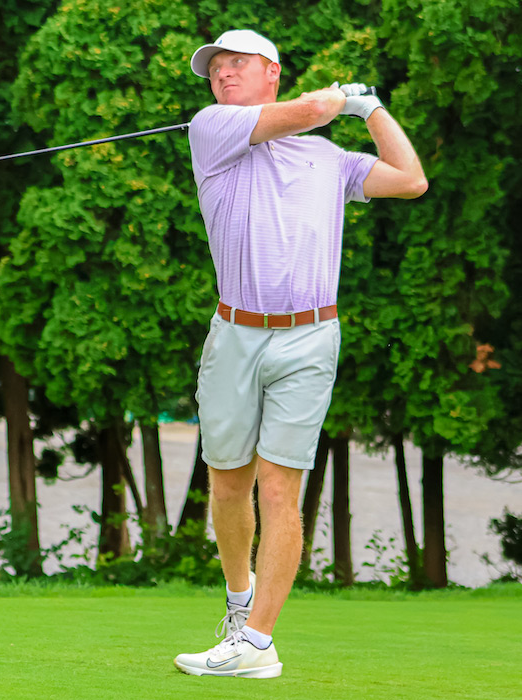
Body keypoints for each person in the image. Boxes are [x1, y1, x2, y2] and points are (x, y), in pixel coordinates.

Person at [173, 30, 427, 678]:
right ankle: (239, 606)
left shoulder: (327, 160)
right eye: (216, 69)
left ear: (271, 73)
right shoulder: (213, 130)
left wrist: (370, 108)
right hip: (235, 335)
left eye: (237, 65)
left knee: (281, 490)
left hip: (310, 337)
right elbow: (311, 109)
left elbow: (411, 178)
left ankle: (257, 645)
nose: (223, 76)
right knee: (228, 486)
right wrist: (340, 98)